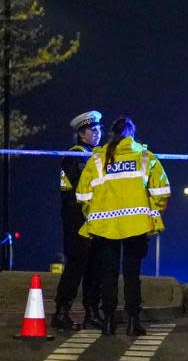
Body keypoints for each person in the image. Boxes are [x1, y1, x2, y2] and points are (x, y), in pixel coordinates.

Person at [76, 117, 170, 335]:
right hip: (136, 226)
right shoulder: (145, 157)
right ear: (132, 135)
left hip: (104, 228)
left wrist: (93, 215)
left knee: (108, 275)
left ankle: (108, 321)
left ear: (112, 134)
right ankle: (132, 321)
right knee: (131, 274)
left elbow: (82, 194)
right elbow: (162, 191)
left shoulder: (98, 159)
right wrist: (152, 213)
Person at [52, 111, 104, 331]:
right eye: (93, 130)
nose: (97, 133)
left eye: (99, 129)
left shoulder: (93, 155)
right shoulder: (78, 156)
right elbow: (80, 190)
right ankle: (61, 312)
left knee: (94, 268)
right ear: (82, 134)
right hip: (77, 220)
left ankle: (91, 312)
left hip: (91, 219)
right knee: (76, 267)